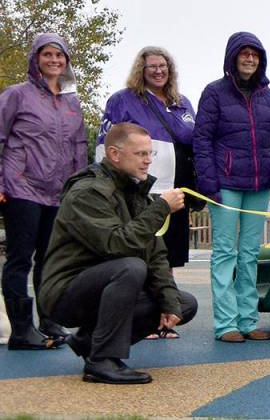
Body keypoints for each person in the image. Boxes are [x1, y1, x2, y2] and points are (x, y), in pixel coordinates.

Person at [38, 122, 198, 384]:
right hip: (64, 294)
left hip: (104, 286)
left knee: (183, 303)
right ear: (114, 154)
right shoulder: (87, 192)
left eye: (150, 154)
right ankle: (102, 361)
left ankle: (88, 343)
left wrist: (170, 304)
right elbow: (116, 245)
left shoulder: (135, 191)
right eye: (140, 154)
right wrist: (160, 210)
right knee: (131, 266)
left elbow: (155, 255)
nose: (148, 161)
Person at [97, 47, 197, 336]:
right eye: (151, 66)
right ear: (141, 69)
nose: (158, 71)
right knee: (140, 253)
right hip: (139, 191)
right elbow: (106, 146)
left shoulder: (182, 104)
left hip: (176, 190)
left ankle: (166, 315)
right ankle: (141, 317)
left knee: (169, 256)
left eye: (163, 65)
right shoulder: (122, 101)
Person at [193, 32, 270, 343]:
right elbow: (202, 140)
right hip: (226, 185)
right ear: (232, 57)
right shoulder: (214, 92)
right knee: (224, 253)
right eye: (244, 53)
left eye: (255, 54)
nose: (249, 58)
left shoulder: (266, 94)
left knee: (249, 254)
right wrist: (209, 183)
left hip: (259, 183)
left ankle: (248, 320)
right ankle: (226, 324)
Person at [0, 33, 87, 350]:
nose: (54, 60)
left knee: (52, 260)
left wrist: (78, 189)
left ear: (66, 62)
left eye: (59, 55)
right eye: (47, 54)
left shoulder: (71, 102)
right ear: (36, 59)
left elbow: (79, 148)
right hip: (21, 187)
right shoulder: (16, 96)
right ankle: (22, 330)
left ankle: (49, 320)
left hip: (58, 193)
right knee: (20, 259)